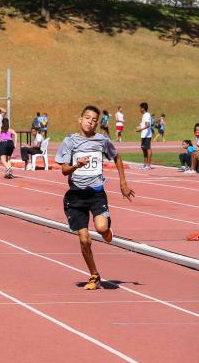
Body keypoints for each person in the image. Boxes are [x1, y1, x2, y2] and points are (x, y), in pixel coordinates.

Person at [55, 105, 135, 291]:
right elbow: (63, 170)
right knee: (84, 240)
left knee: (101, 228)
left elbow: (117, 157)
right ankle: (94, 275)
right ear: (80, 119)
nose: (90, 122)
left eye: (94, 120)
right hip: (76, 196)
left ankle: (106, 230)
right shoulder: (70, 141)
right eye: (87, 118)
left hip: (96, 194)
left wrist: (123, 183)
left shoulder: (102, 140)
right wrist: (77, 165)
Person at [136, 102, 153, 170]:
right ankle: (145, 164)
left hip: (147, 135)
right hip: (144, 135)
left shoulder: (146, 115)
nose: (139, 109)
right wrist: (139, 126)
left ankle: (148, 165)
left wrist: (141, 129)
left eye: (140, 108)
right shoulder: (144, 115)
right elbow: (144, 124)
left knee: (148, 149)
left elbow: (148, 124)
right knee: (144, 149)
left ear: (143, 108)